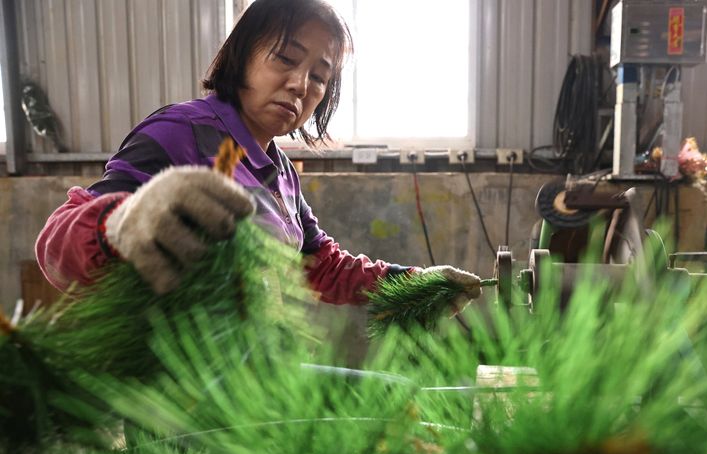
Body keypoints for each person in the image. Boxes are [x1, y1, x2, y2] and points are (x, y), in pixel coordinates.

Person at [36, 0, 481, 310]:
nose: (301, 85)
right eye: (286, 59)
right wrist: (124, 221)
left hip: (255, 382)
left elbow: (320, 265)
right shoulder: (183, 133)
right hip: (180, 402)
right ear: (242, 54)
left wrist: (413, 281)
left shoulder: (280, 172)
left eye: (320, 77)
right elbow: (57, 245)